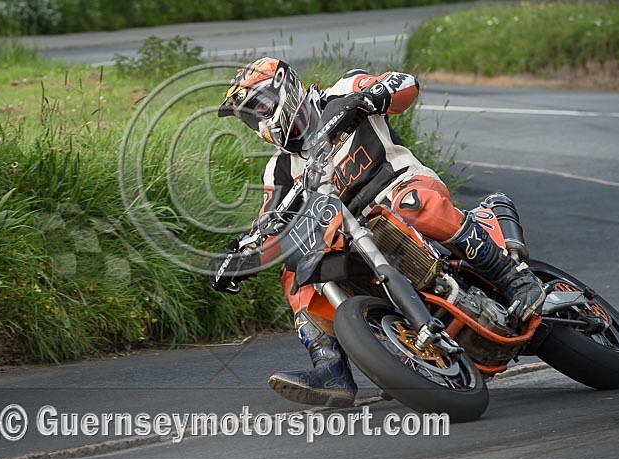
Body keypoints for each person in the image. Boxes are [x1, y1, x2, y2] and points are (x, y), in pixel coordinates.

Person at [211, 57, 545, 408]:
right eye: (251, 115)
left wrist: (373, 97)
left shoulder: (340, 92)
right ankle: (331, 369)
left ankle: (513, 278)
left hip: (401, 186)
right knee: (295, 271)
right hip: (354, 230)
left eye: (261, 104)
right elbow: (268, 223)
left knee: (411, 203)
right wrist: (239, 259)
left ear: (285, 85)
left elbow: (405, 84)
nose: (260, 119)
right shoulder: (278, 169)